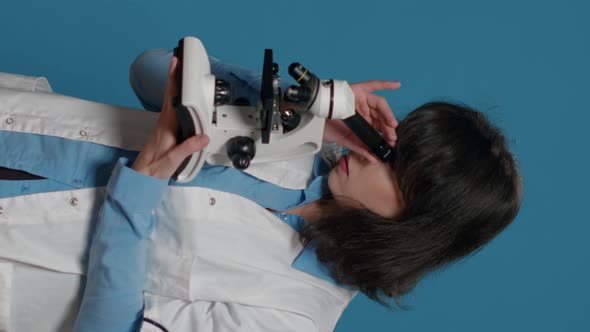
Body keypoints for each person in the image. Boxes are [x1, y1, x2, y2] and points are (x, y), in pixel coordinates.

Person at [0, 49, 523, 332]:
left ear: (417, 228)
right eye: (392, 145)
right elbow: (149, 70)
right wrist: (301, 109)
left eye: (395, 171)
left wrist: (139, 192)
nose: (369, 155)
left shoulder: (293, 315)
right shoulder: (306, 147)